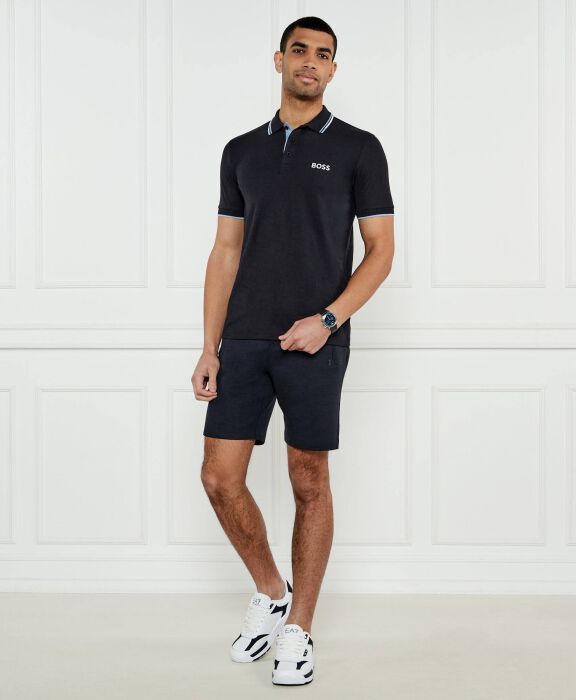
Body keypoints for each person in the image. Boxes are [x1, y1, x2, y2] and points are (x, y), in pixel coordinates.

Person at [191, 15, 394, 687]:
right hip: (244, 338)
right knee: (219, 478)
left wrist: (328, 320)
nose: (311, 61)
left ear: (334, 69)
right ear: (278, 59)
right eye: (300, 50)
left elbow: (381, 252)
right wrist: (209, 346)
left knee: (309, 481)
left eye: (323, 54)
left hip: (316, 340)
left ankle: (299, 629)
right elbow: (225, 252)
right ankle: (271, 591)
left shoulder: (360, 148)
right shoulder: (240, 150)